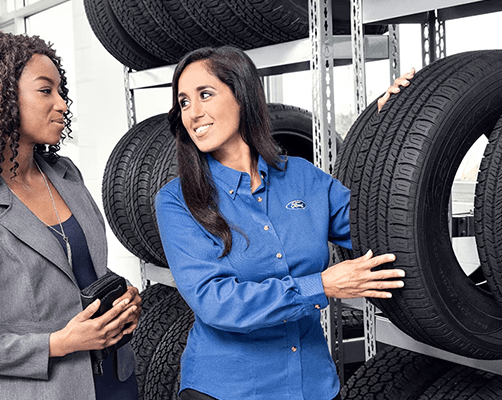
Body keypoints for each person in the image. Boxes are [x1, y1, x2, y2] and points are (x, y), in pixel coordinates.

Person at [154, 45, 409, 400]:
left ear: (243, 96)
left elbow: (375, 227)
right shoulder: (176, 200)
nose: (193, 113)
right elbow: (215, 302)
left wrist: (391, 132)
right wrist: (321, 285)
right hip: (227, 390)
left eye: (205, 95)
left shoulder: (303, 177)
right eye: (183, 102)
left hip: (313, 386)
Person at [0, 31, 140, 400]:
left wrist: (120, 298)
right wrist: (58, 343)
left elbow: (76, 269)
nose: (62, 104)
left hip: (116, 379)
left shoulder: (66, 175)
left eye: (61, 91)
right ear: (1, 100)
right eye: (45, 91)